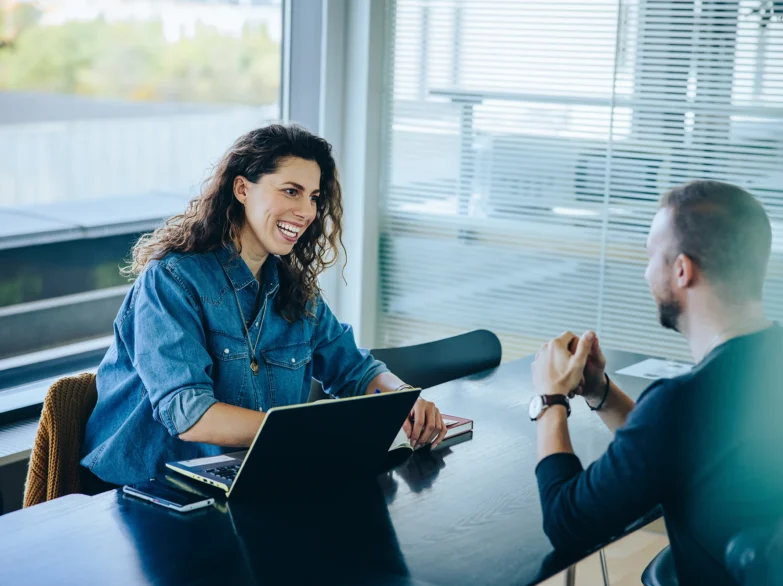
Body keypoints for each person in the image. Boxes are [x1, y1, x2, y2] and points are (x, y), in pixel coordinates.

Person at [81, 124, 446, 488]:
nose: (307, 212)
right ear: (242, 188)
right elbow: (189, 414)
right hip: (144, 489)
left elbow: (355, 370)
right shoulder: (172, 280)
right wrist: (305, 434)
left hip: (248, 475)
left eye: (314, 198)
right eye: (291, 191)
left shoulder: (295, 290)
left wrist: (402, 399)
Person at [529, 180, 783, 585]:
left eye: (651, 256)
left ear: (682, 271)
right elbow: (672, 451)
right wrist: (600, 391)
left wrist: (549, 398)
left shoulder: (684, 401)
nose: (646, 271)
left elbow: (567, 523)